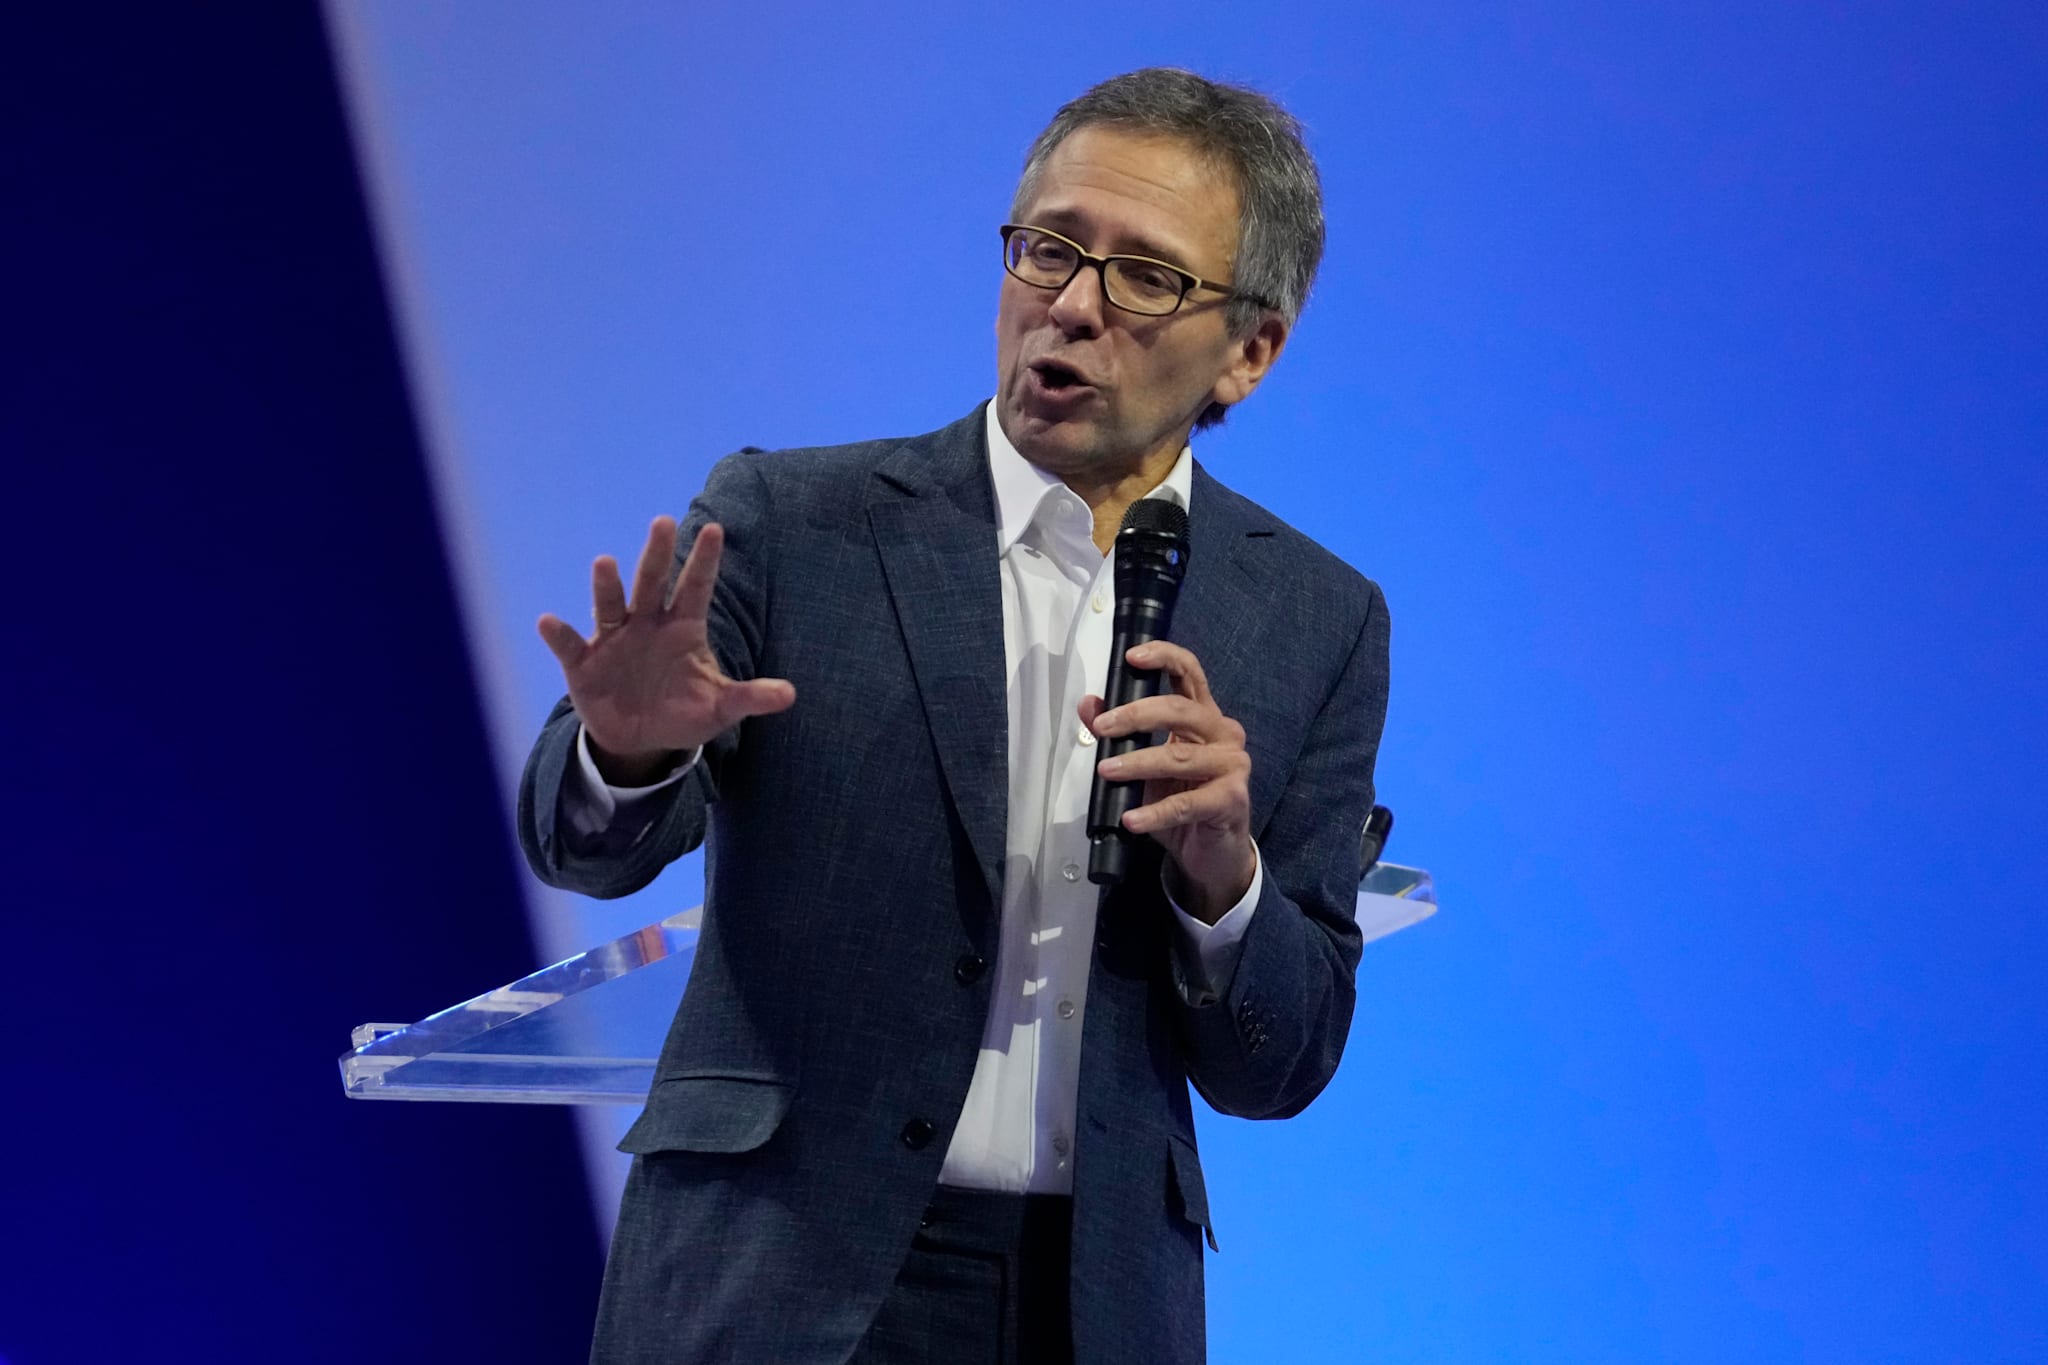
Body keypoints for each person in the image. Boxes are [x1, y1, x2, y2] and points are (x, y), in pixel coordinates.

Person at [518, 67, 1391, 1365]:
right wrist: (630, 749)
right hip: (775, 1277)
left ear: (1250, 350)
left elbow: (1283, 1060)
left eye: (1145, 275)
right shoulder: (792, 524)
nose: (1073, 304)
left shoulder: (1318, 617)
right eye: (1050, 248)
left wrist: (1224, 880)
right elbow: (579, 845)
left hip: (1089, 1304)